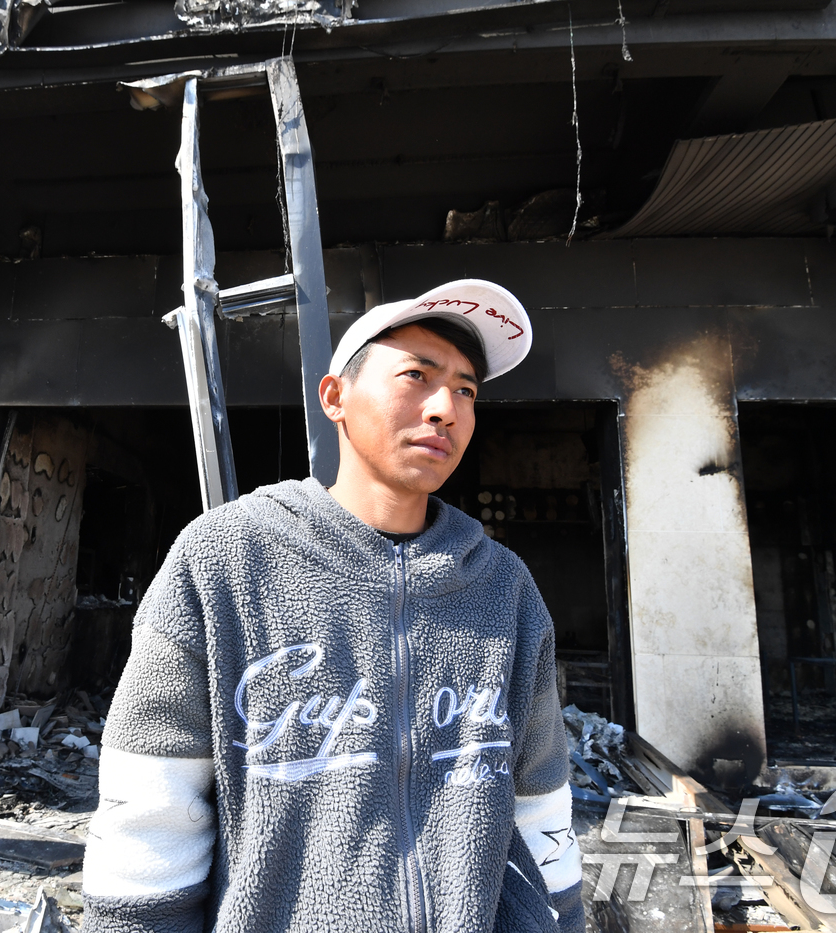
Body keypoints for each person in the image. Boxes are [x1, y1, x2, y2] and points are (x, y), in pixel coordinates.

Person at [81, 279, 583, 933]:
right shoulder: (225, 560)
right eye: (417, 375)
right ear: (335, 396)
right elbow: (152, 810)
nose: (446, 409)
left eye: (466, 389)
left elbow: (539, 807)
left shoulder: (503, 589)